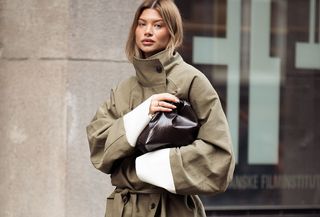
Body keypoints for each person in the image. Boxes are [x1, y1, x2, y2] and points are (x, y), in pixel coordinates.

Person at [86, 0, 235, 216]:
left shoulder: (191, 80)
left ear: (172, 31)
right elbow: (98, 144)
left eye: (158, 25)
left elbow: (219, 158)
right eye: (142, 24)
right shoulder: (124, 88)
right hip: (124, 209)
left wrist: (142, 167)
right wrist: (142, 114)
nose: (148, 31)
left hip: (172, 208)